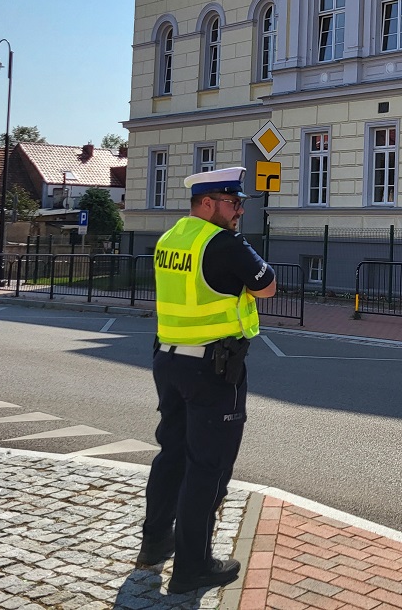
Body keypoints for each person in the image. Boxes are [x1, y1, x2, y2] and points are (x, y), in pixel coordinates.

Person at [137, 166, 276, 594]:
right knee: (208, 467)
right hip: (213, 369)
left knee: (171, 454)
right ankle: (192, 567)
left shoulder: (171, 237)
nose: (239, 213)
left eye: (241, 205)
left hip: (169, 359)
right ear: (208, 203)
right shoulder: (221, 242)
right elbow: (267, 286)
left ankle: (154, 543)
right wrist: (237, 240)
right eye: (233, 204)